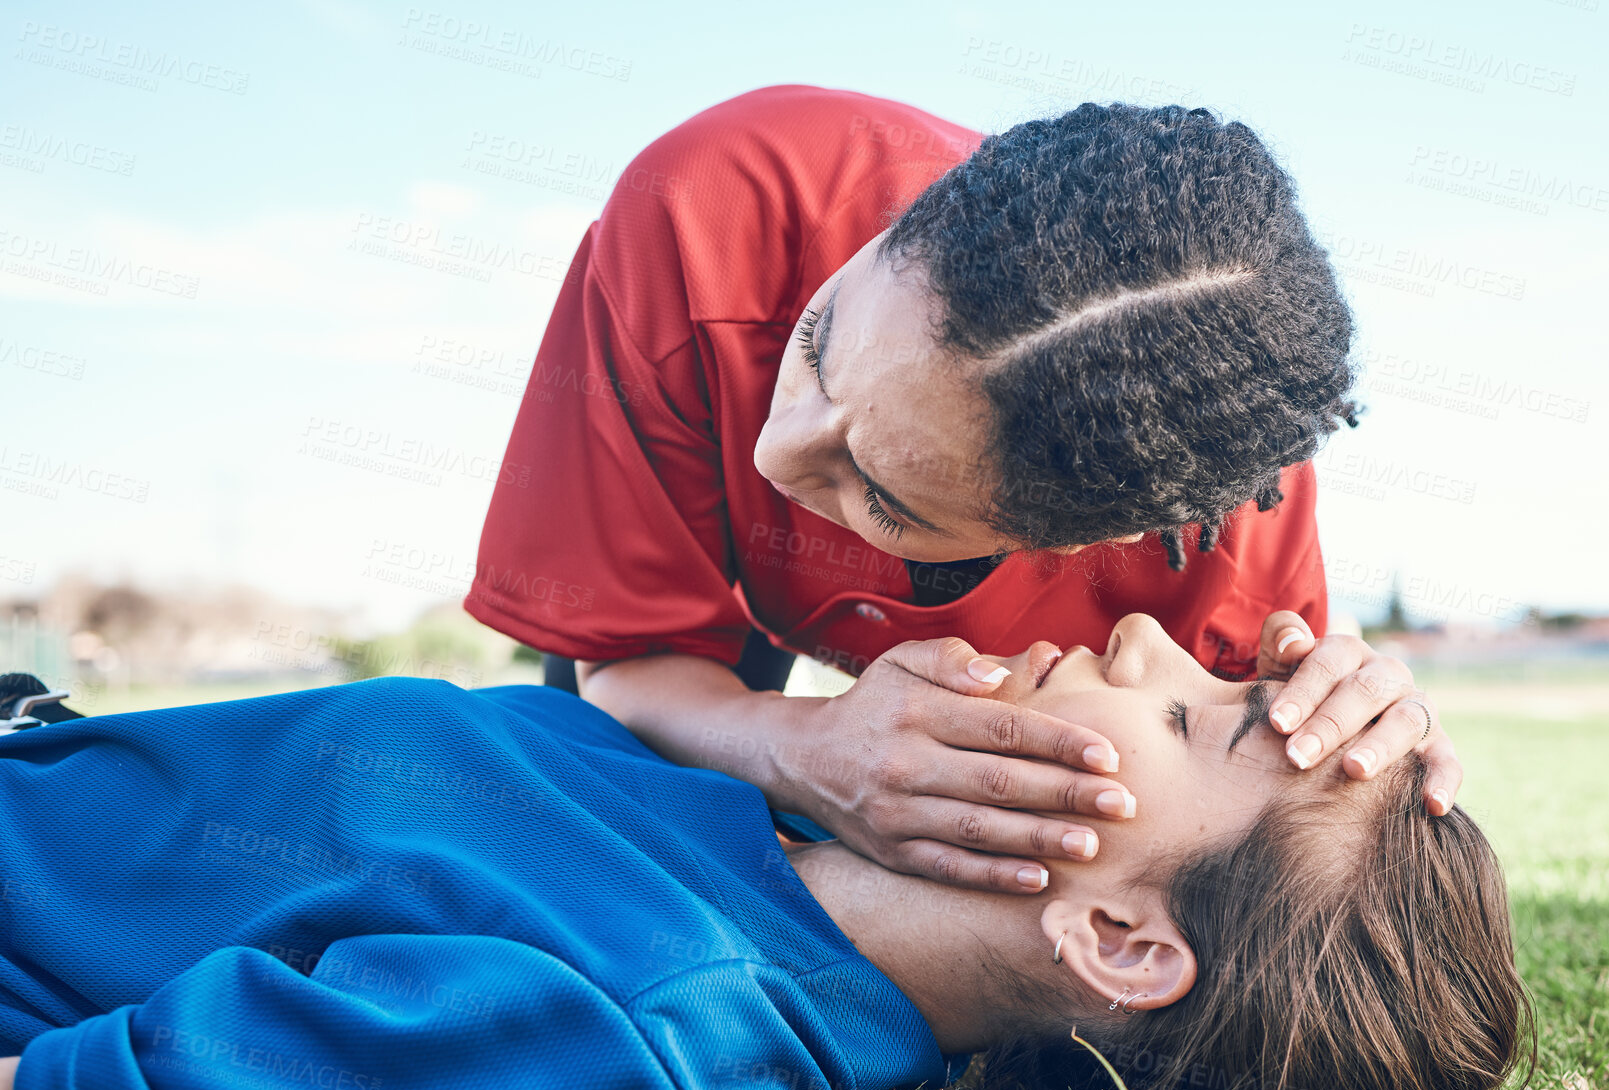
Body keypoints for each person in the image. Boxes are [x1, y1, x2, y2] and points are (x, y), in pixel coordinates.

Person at [0, 616, 1525, 1090]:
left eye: (1195, 713)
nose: (1137, 630)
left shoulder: (629, 1039)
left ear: (1119, 939)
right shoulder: (782, 803)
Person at [465, 86, 1465, 896]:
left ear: (1096, 540)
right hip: (665, 690)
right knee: (595, 810)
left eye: (885, 500)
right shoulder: (714, 207)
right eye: (813, 346)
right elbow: (627, 661)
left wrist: (1370, 750)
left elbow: (1256, 834)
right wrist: (802, 743)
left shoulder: (1220, 532)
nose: (773, 455)